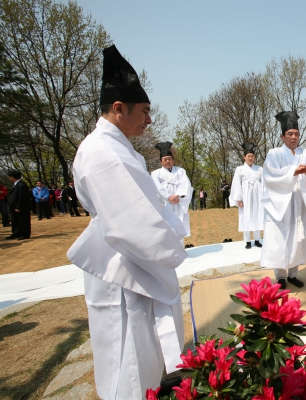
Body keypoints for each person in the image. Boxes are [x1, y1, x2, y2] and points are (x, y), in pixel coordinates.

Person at [66, 45, 188, 399]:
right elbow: (130, 225)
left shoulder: (119, 147)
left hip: (134, 264)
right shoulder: (103, 153)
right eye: (145, 111)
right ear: (119, 109)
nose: (150, 120)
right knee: (129, 362)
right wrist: (173, 253)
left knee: (141, 355)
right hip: (126, 270)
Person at [261, 111, 306, 289]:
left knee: (298, 238)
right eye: (290, 134)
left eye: (296, 134)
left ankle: (294, 274)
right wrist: (292, 172)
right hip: (281, 204)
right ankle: (280, 276)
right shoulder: (274, 154)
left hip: (299, 202)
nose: (294, 137)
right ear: (282, 136)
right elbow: (269, 176)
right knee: (281, 240)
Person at [151, 141, 193, 241]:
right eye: (165, 159)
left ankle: (182, 249)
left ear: (173, 160)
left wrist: (177, 195)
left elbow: (185, 184)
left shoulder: (180, 171)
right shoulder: (155, 174)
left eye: (169, 159)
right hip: (165, 204)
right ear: (161, 161)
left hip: (178, 202)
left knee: (180, 224)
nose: (168, 161)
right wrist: (169, 197)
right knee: (167, 225)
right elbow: (157, 188)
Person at [229, 142, 265, 249]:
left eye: (252, 156)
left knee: (257, 216)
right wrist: (238, 199)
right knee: (246, 217)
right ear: (244, 157)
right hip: (246, 197)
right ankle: (248, 241)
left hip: (257, 197)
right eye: (248, 156)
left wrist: (264, 197)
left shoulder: (259, 169)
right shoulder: (239, 169)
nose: (250, 158)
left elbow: (264, 184)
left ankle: (258, 239)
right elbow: (236, 184)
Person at [6, 170, 31, 240]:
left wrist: (19, 207)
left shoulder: (22, 185)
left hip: (21, 207)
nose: (9, 178)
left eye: (9, 177)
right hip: (13, 207)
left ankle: (24, 234)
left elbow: (22, 197)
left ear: (12, 177)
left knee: (23, 221)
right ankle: (16, 233)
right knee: (15, 221)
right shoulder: (15, 185)